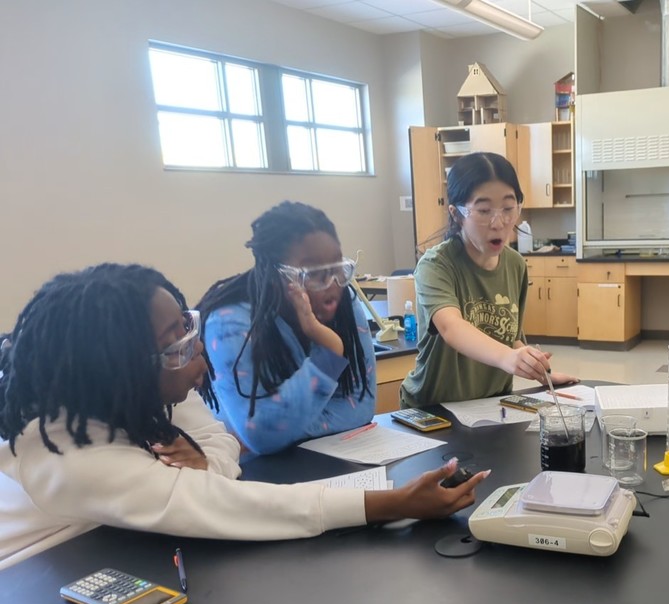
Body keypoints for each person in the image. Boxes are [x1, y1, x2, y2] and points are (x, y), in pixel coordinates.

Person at [0, 263, 486, 570]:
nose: (197, 359)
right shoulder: (69, 457)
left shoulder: (134, 392)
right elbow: (229, 505)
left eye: (187, 329)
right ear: (121, 368)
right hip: (33, 586)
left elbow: (217, 443)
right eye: (177, 346)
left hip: (110, 552)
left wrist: (204, 464)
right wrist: (392, 503)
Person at [400, 152, 578, 408]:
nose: (499, 223)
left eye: (509, 208)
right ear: (456, 213)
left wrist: (541, 372)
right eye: (483, 211)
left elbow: (509, 338)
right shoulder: (436, 265)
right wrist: (509, 357)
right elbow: (452, 328)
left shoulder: (515, 264)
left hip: (492, 406)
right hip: (434, 409)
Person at [197, 201, 376, 455]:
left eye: (337, 269)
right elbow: (261, 438)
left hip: (329, 461)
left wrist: (281, 431)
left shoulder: (346, 304)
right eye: (313, 274)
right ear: (274, 274)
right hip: (250, 474)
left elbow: (361, 408)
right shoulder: (228, 322)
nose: (332, 286)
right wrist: (328, 355)